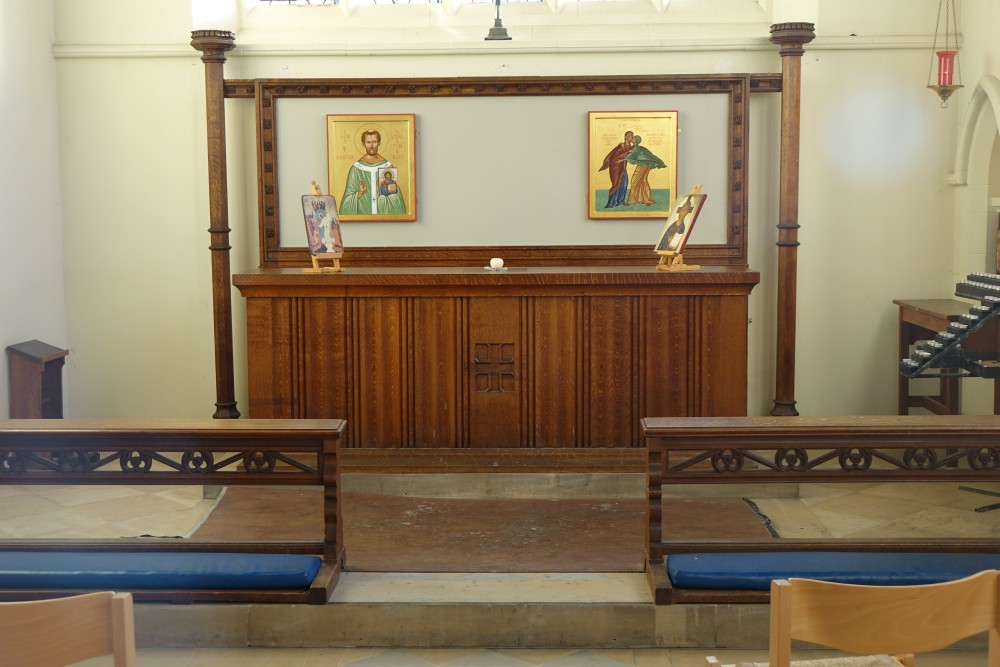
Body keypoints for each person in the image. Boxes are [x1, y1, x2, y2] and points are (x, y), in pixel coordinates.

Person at [339, 130, 406, 215]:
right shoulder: (355, 169)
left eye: (374, 142)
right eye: (368, 142)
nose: (371, 146)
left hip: (383, 217)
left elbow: (396, 197)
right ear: (363, 144)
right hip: (363, 216)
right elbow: (347, 200)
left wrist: (385, 196)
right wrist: (361, 193)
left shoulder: (387, 166)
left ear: (379, 143)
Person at [623, 135, 666, 206]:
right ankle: (645, 199)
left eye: (634, 138)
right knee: (643, 181)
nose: (632, 138)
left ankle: (631, 201)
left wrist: (622, 159)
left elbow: (629, 157)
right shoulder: (638, 148)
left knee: (634, 181)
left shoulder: (637, 149)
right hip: (646, 165)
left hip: (643, 165)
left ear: (636, 141)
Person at [598, 131, 634, 208]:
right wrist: (627, 152)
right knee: (616, 184)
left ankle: (620, 201)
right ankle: (611, 203)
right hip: (616, 168)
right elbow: (615, 158)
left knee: (624, 184)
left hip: (622, 168)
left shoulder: (629, 146)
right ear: (626, 137)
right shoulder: (621, 147)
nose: (632, 138)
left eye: (632, 136)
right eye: (631, 136)